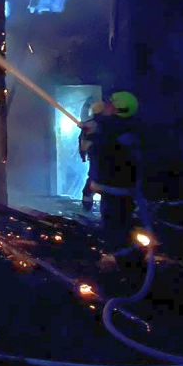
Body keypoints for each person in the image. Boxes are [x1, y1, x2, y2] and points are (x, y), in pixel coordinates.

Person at [78, 91, 141, 249]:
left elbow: (107, 149)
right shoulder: (115, 126)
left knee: (117, 232)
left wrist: (91, 137)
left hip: (117, 192)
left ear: (118, 109)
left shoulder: (121, 131)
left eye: (110, 103)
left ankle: (119, 261)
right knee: (116, 227)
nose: (106, 104)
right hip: (114, 190)